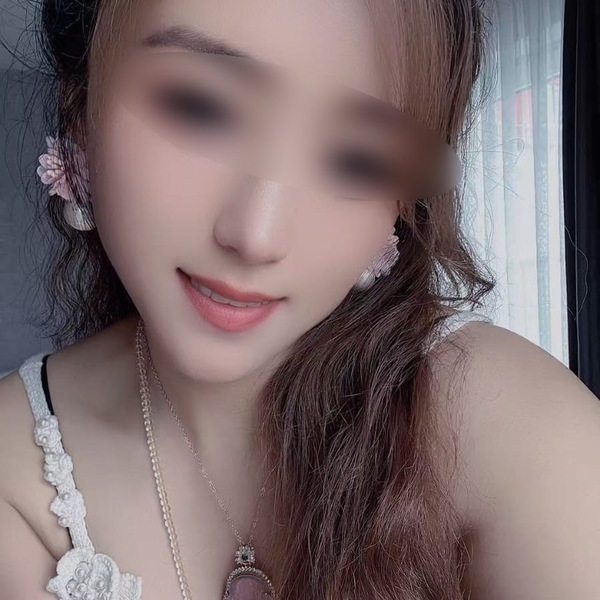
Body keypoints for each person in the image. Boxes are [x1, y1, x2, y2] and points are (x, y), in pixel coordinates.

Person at [1, 0, 599, 599]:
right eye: (203, 107)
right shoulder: (16, 471)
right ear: (81, 111)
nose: (257, 236)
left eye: (357, 158)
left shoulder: (507, 421)